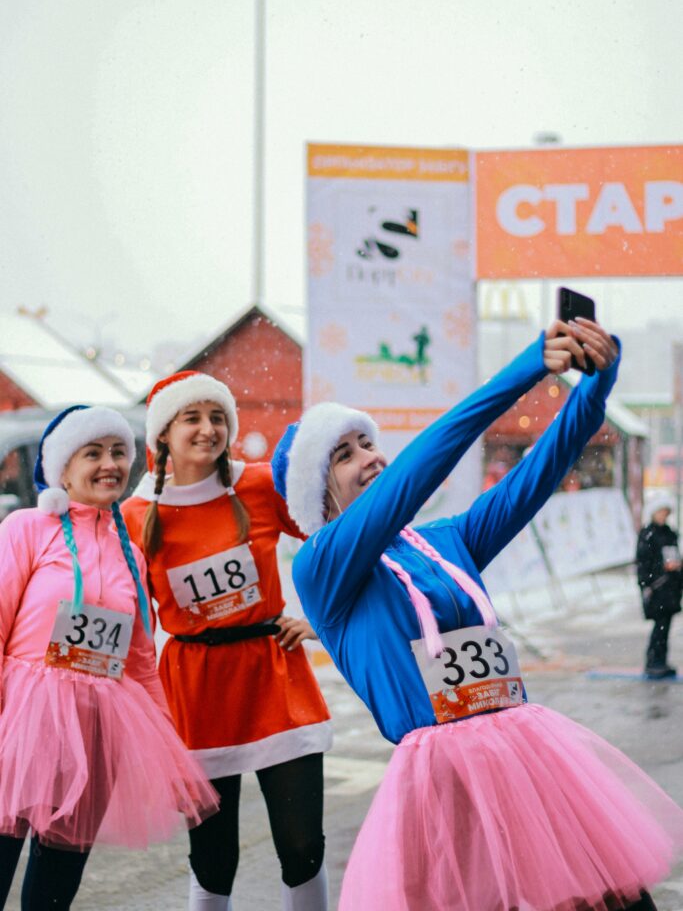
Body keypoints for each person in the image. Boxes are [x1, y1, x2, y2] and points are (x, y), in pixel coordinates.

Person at [272, 318, 683, 911]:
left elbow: (541, 471)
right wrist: (528, 368)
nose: (370, 456)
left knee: (617, 902)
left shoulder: (446, 540)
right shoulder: (323, 567)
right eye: (343, 454)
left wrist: (597, 381)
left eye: (367, 443)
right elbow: (424, 467)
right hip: (446, 784)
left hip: (524, 753)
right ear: (317, 493)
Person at [122, 371, 332, 911]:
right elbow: (121, 611)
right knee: (213, 856)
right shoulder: (136, 515)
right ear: (163, 434)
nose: (208, 429)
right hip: (197, 691)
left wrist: (321, 618)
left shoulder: (259, 485)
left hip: (276, 680)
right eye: (191, 417)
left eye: (218, 417)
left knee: (303, 845)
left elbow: (334, 541)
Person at [0, 405, 218, 911]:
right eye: (93, 452)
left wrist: (169, 747)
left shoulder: (130, 551)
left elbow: (139, 657)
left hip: (95, 727)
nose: (109, 464)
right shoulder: (27, 528)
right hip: (22, 721)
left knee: (55, 883)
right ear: (63, 468)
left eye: (118, 452)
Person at [636, 492, 681, 679]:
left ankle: (661, 661)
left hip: (671, 588)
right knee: (659, 626)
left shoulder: (670, 533)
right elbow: (643, 563)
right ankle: (653, 661)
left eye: (666, 511)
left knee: (666, 626)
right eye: (661, 511)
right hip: (657, 588)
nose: (663, 515)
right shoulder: (648, 534)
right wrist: (660, 569)